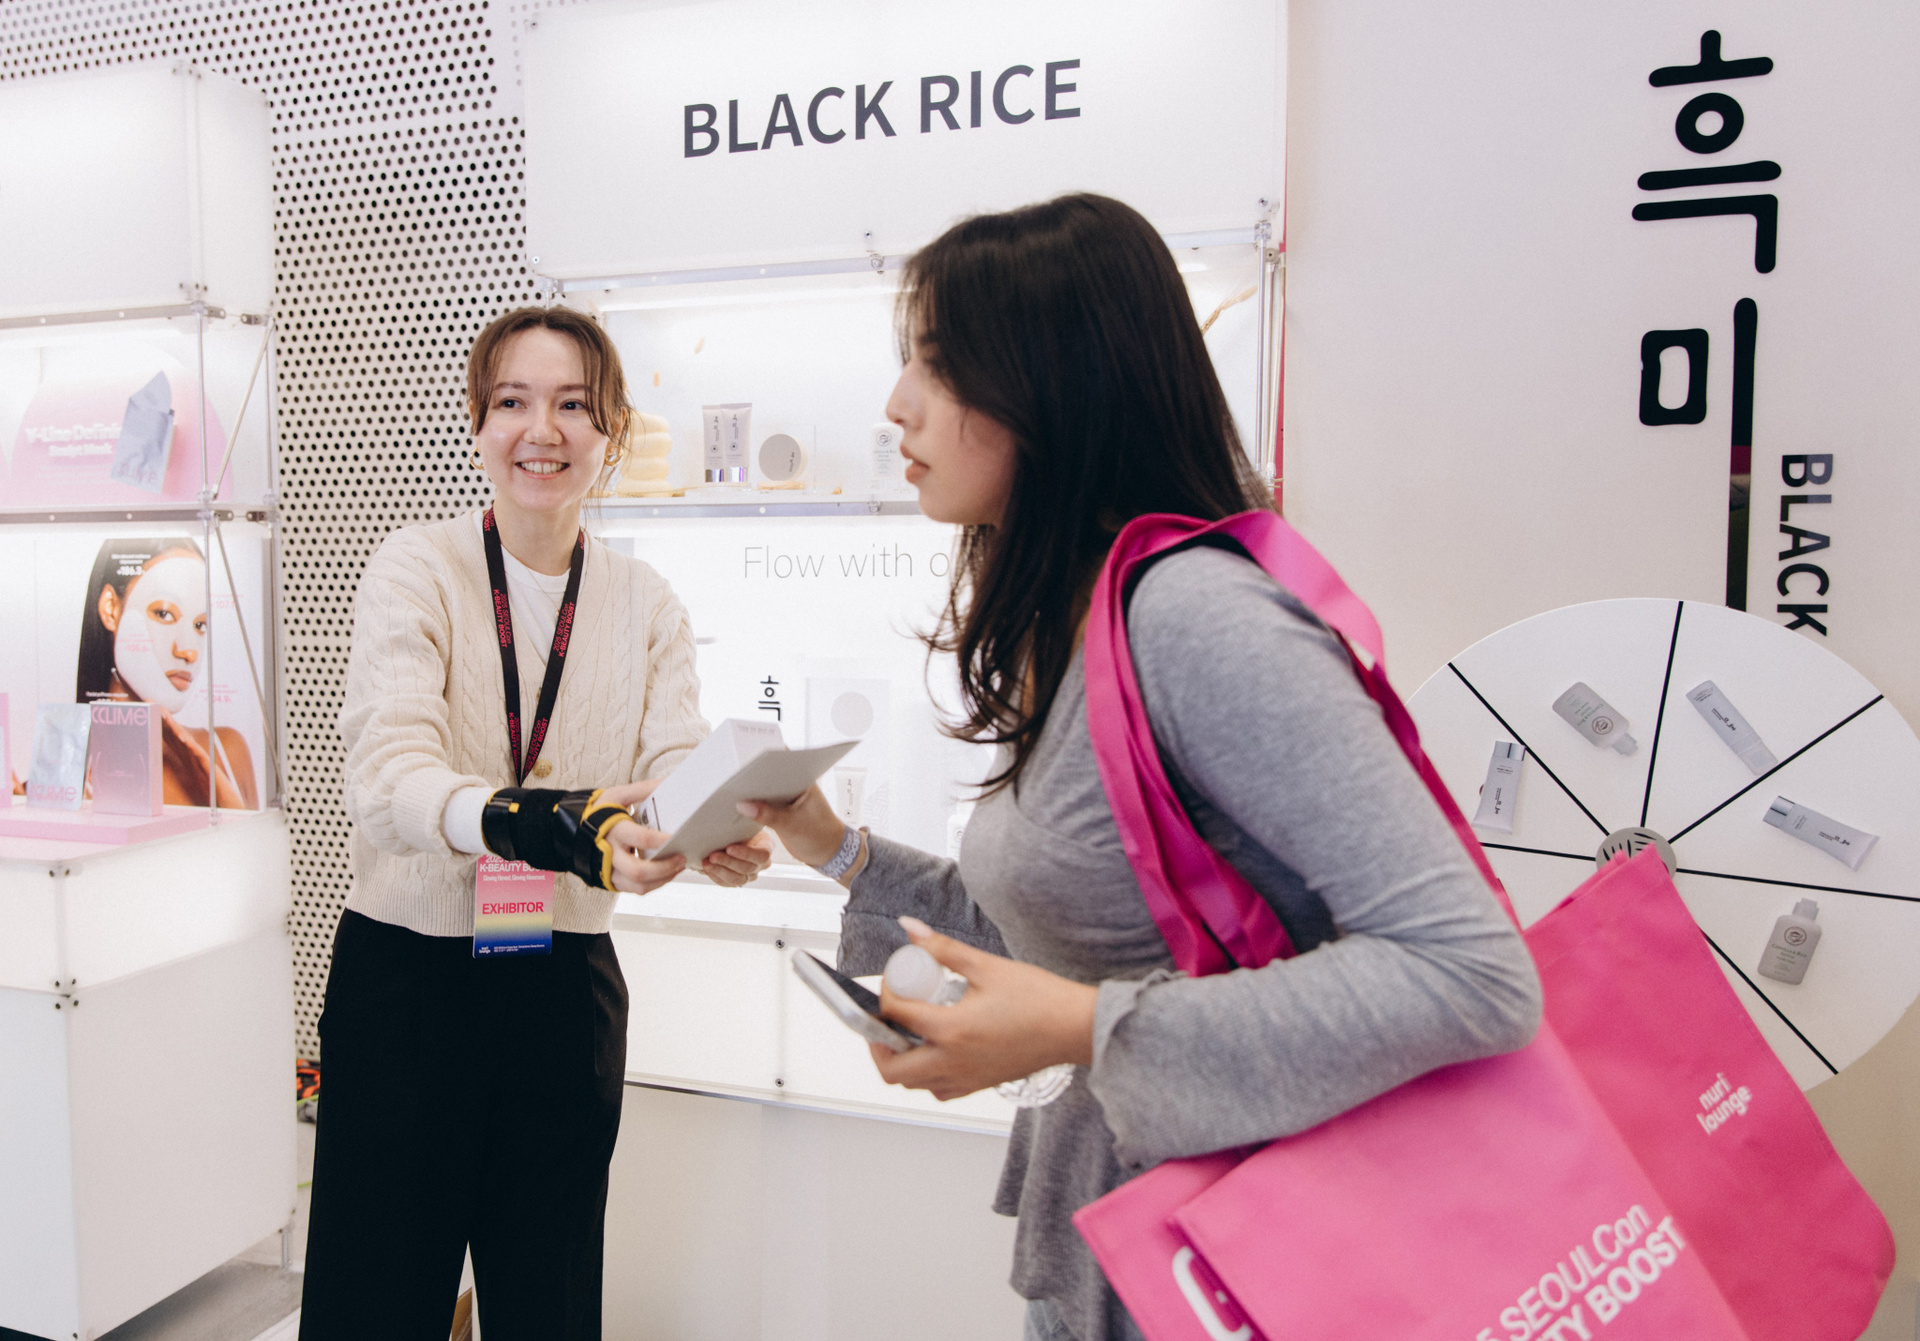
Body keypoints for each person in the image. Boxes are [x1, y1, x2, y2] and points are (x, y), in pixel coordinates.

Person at [740, 195, 1544, 1341]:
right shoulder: (1084, 622)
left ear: (1052, 388)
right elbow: (1075, 933)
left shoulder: (1197, 619)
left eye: (939, 364)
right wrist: (833, 847)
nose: (897, 402)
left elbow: (1473, 976)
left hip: (1253, 1262)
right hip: (1127, 1241)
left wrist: (1083, 1028)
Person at [301, 305, 772, 1340]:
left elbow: (673, 758)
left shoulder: (646, 600)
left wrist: (710, 829)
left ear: (610, 430)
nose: (541, 432)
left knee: (549, 1301)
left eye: (573, 405)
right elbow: (387, 777)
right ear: (478, 422)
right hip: (409, 984)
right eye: (513, 402)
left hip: (562, 987)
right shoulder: (415, 567)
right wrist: (542, 825)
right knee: (374, 1299)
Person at [75, 536, 258, 808]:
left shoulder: (226, 751)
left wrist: (224, 799)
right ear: (111, 609)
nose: (188, 652)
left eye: (200, 625)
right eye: (164, 614)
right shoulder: (67, 772)